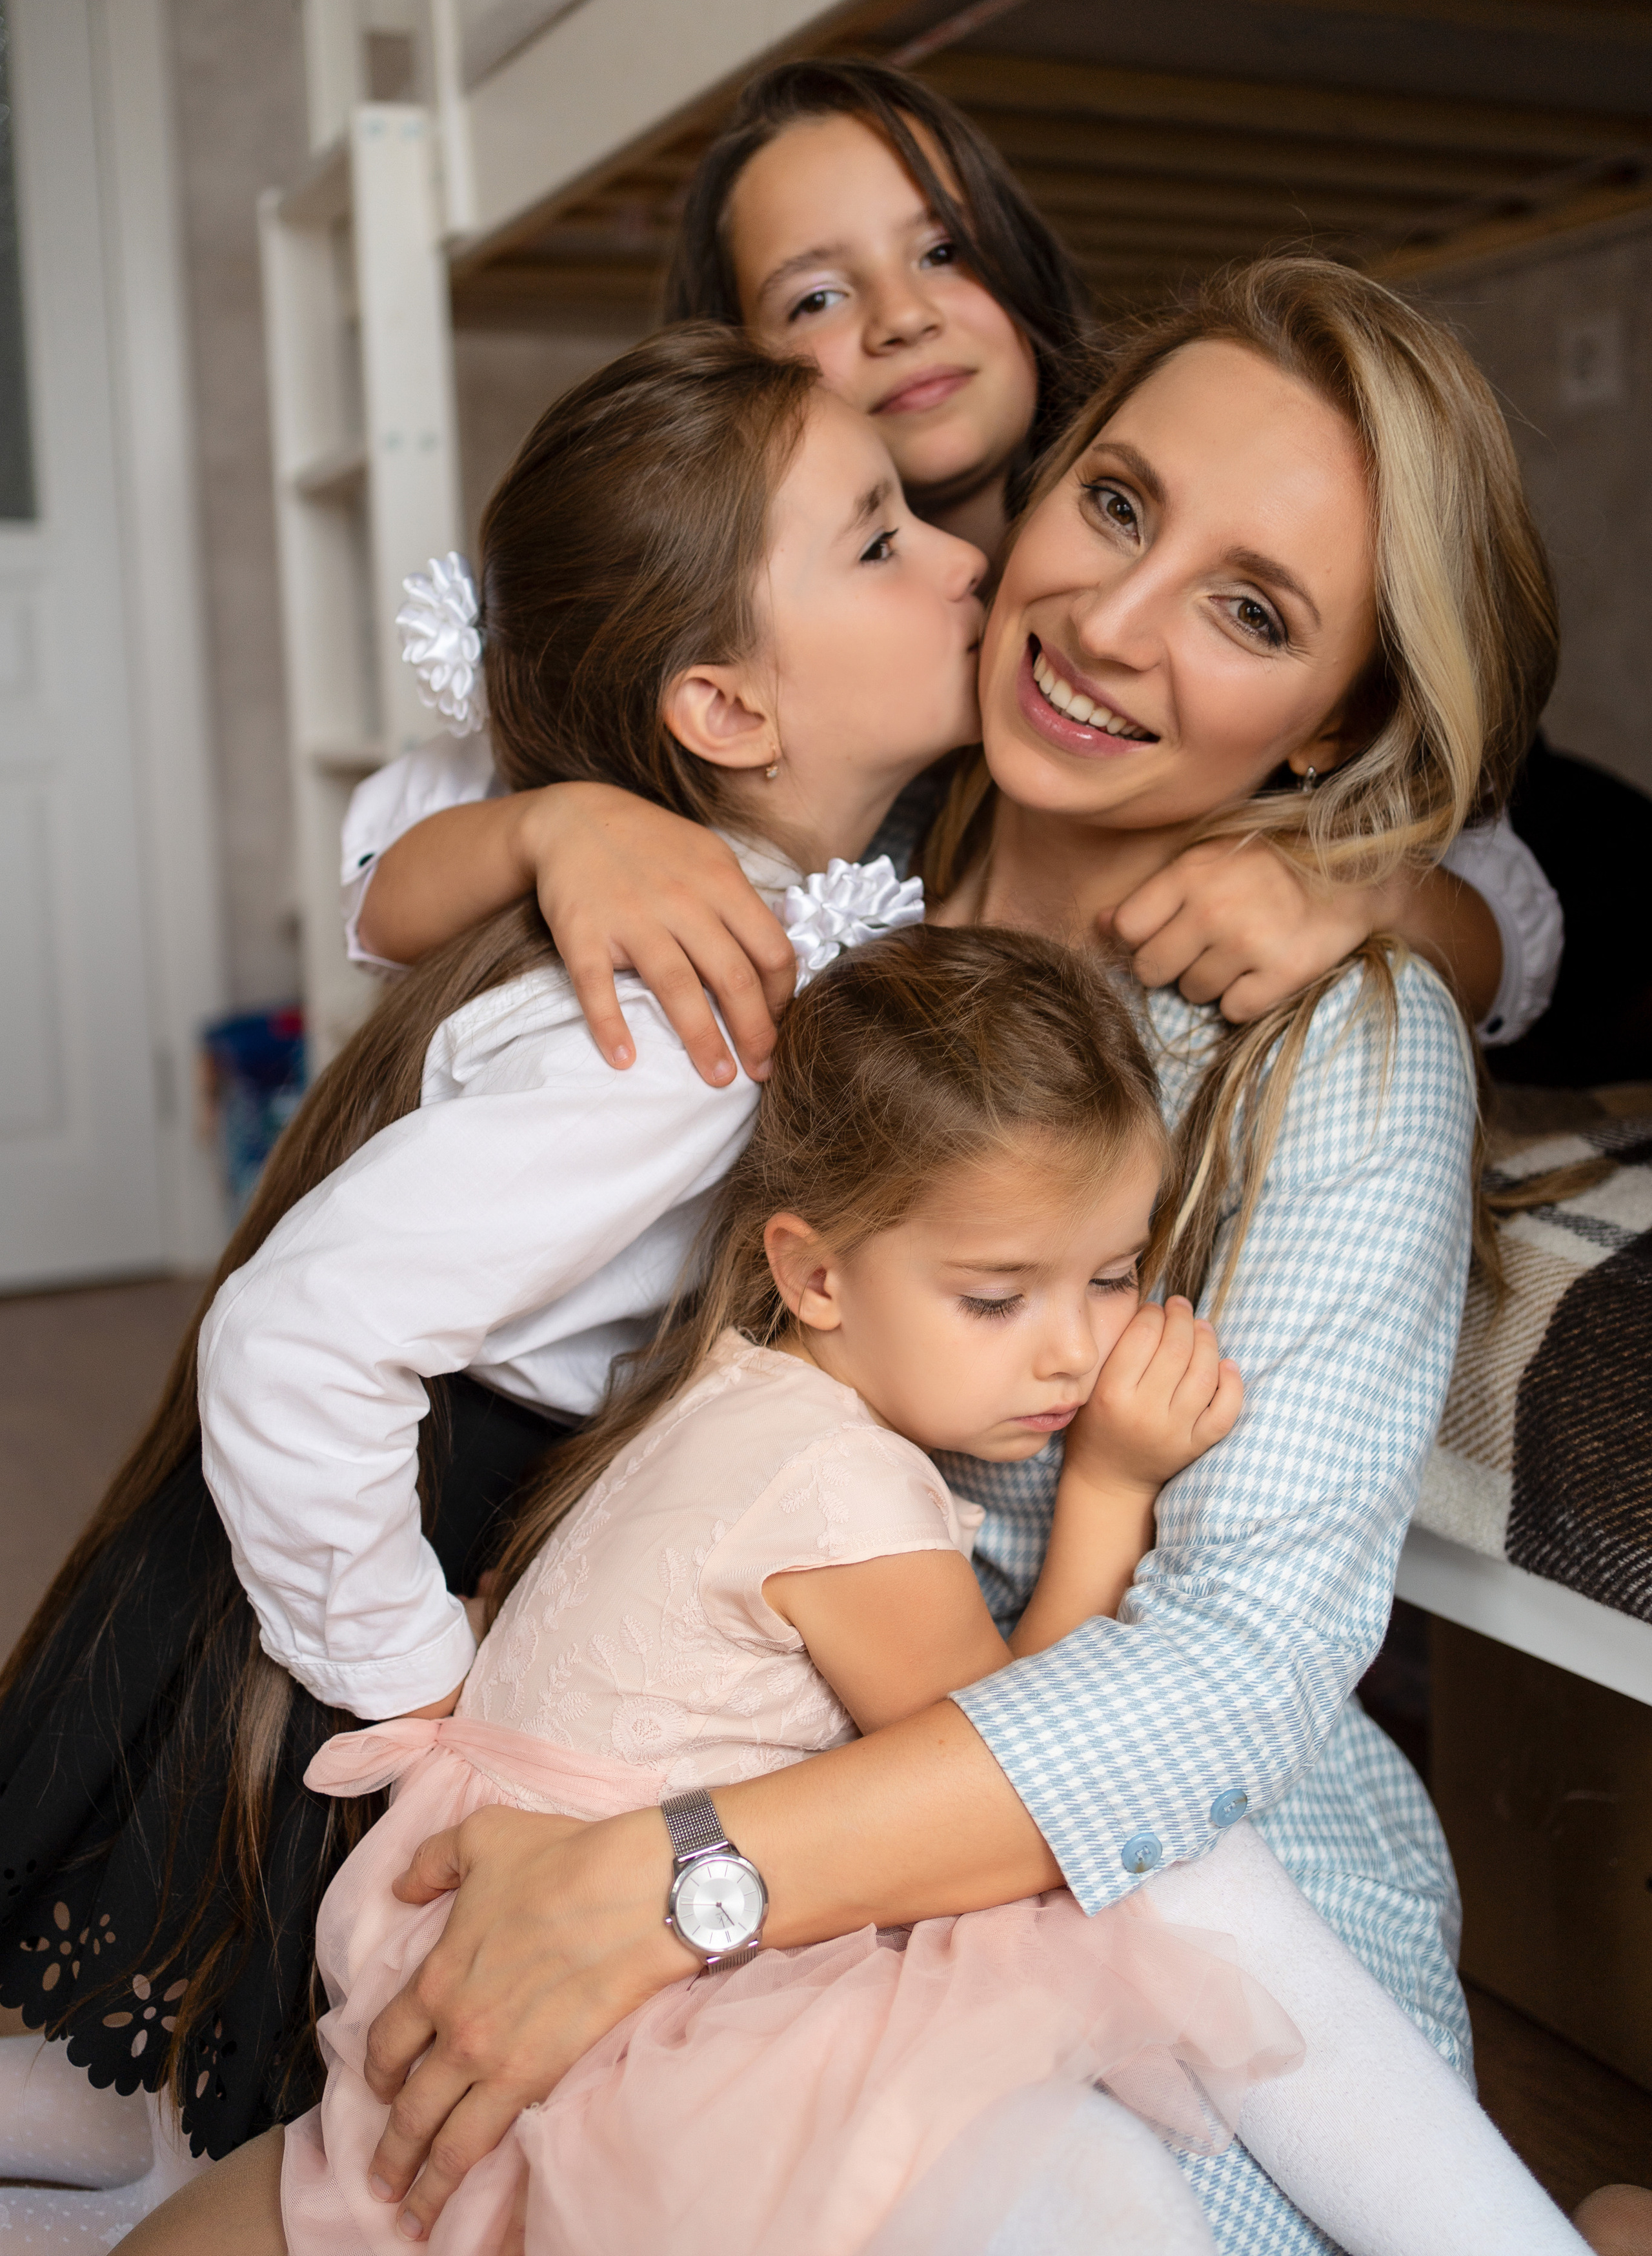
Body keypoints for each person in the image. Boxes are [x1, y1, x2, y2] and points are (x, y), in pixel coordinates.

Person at [298, 259, 1586, 2256]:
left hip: (1145, 1854)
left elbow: (1232, 1668)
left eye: (1253, 612)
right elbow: (428, 866)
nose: (1113, 624)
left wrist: (679, 1880)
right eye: (1120, 506)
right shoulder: (841, 827)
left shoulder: (1341, 1041)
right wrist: (561, 825)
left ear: (1342, 712)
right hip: (761, 1723)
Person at [129, 931, 1584, 2256]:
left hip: (486, 1914)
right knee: (1140, 1962)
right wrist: (1109, 1491)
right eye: (997, 1296)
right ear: (813, 1274)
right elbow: (1022, 1771)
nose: (1071, 1355)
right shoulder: (840, 1491)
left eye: (1114, 1277)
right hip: (634, 2010)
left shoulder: (729, 1397)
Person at [0, 325, 983, 2188]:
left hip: (407, 1476)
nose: (962, 555)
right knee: (256, 1964)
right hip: (391, 1517)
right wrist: (415, 1681)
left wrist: (547, 814)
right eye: (882, 538)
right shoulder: (695, 1033)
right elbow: (294, 1340)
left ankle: (114, 2105)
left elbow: (392, 840)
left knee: (193, 1994)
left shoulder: (680, 881)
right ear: (722, 711)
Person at [345, 57, 1560, 1083]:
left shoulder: (1189, 524)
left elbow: (1507, 899)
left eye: (943, 252)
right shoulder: (709, 620)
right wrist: (563, 830)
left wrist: (1366, 899)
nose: (898, 317)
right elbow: (388, 867)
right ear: (740, 378)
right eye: (816, 295)